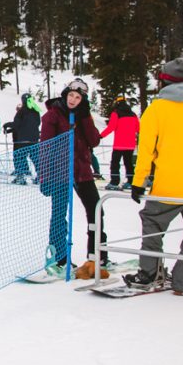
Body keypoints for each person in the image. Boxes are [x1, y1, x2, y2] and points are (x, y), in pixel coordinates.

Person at [124, 58, 183, 295]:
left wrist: (138, 182)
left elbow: (146, 148)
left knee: (153, 224)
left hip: (171, 184)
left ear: (163, 81)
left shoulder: (157, 108)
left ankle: (149, 273)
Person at [38, 78, 108, 280]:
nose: (73, 100)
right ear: (65, 94)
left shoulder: (83, 116)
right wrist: (45, 176)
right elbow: (46, 146)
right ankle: (59, 257)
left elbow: (94, 140)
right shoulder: (52, 115)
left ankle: (97, 256)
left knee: (96, 210)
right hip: (60, 172)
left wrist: (85, 117)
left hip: (82, 171)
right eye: (71, 95)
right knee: (60, 214)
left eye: (78, 97)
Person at [100, 97, 140, 191]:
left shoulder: (116, 113)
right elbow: (138, 128)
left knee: (115, 163)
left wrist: (100, 136)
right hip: (130, 144)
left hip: (119, 144)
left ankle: (114, 182)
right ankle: (131, 181)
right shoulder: (133, 114)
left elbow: (111, 127)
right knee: (129, 163)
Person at [7, 93, 40, 184]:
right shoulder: (36, 110)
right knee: (35, 158)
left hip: (23, 139)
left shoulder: (21, 111)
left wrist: (7, 125)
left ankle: (20, 177)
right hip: (34, 138)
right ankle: (41, 176)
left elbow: (17, 124)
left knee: (19, 157)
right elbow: (37, 123)